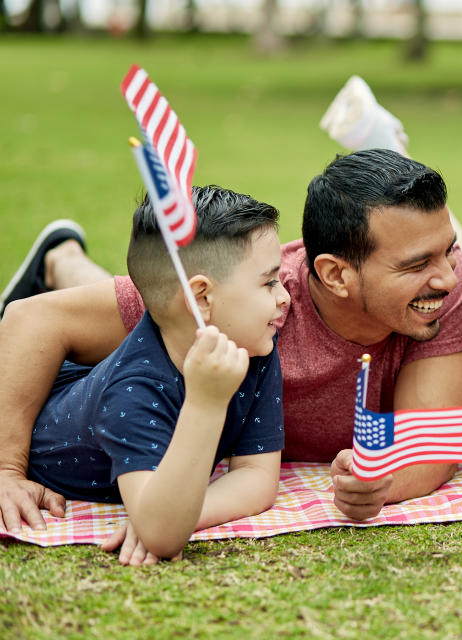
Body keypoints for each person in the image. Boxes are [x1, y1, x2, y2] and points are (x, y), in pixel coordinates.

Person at [0, 149, 462, 530]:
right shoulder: (247, 309)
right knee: (131, 305)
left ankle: (64, 261)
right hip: (78, 401)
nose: (447, 278)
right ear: (335, 274)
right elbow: (33, 322)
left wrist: (379, 482)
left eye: (448, 251)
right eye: (415, 265)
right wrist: (6, 470)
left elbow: (433, 440)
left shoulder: (444, 283)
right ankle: (60, 262)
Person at [26, 185, 288, 565]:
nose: (285, 297)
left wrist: (179, 512)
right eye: (269, 282)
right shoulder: (134, 389)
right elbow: (163, 536)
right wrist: (206, 402)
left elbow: (256, 476)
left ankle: (61, 260)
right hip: (51, 413)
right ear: (201, 298)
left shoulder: (252, 342)